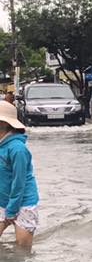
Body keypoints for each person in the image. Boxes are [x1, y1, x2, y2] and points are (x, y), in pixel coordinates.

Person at [0, 101, 39, 251]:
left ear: (3, 124)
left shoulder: (17, 149)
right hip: (3, 200)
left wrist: (12, 210)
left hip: (23, 203)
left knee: (22, 251)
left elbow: (19, 182)